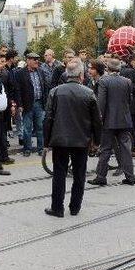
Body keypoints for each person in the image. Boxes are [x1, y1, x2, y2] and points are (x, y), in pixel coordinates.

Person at [43, 58, 102, 217]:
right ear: (81, 75)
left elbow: (48, 118)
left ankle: (57, 208)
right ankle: (75, 207)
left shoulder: (55, 92)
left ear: (66, 74)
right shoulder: (88, 93)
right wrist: (97, 141)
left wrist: (46, 142)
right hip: (81, 140)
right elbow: (97, 120)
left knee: (59, 174)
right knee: (79, 174)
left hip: (60, 139)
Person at [88, 57, 135, 186]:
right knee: (125, 148)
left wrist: (98, 118)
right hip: (124, 119)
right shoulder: (127, 81)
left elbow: (101, 102)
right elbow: (129, 100)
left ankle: (101, 176)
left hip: (108, 120)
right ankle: (130, 176)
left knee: (105, 149)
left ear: (108, 68)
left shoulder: (104, 81)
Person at [14, 52, 47, 157]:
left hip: (39, 103)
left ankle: (40, 149)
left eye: (37, 59)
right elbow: (18, 90)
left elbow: (44, 87)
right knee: (27, 128)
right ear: (28, 60)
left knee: (40, 127)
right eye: (34, 59)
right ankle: (27, 149)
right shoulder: (20, 73)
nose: (37, 61)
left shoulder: (40, 72)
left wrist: (45, 102)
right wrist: (19, 105)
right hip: (27, 104)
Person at [120, 54, 135, 157]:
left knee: (129, 128)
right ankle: (133, 149)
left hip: (126, 103)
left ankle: (127, 149)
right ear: (133, 61)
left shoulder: (122, 71)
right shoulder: (133, 72)